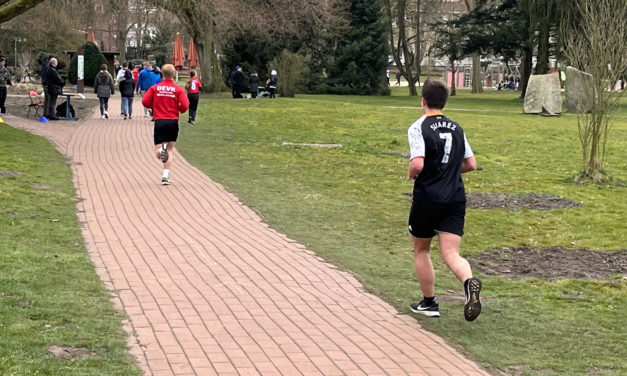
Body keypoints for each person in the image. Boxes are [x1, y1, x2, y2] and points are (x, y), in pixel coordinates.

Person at [406, 79, 481, 321]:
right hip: (455, 197)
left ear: (423, 101)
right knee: (451, 253)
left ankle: (429, 303)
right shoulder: (457, 128)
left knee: (422, 249)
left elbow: (418, 162)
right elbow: (471, 164)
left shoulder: (419, 127)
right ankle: (469, 282)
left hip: (428, 196)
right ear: (445, 102)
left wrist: (411, 173)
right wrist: (448, 171)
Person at [142, 64, 189, 185]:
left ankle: (160, 150)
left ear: (162, 74)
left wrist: (155, 107)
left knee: (158, 149)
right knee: (170, 149)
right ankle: (165, 176)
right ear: (173, 74)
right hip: (173, 121)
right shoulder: (178, 89)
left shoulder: (155, 88)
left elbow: (145, 101)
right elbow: (185, 105)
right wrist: (178, 109)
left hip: (160, 121)